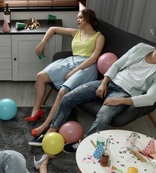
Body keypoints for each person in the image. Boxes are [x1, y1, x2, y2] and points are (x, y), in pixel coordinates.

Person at [37, 35, 156, 153]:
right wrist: (104, 82)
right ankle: (52, 130)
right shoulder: (142, 48)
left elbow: (151, 98)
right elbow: (117, 64)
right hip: (108, 83)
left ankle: (84, 146)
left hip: (123, 94)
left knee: (103, 116)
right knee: (68, 97)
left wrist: (121, 101)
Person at [25, 8, 105, 141]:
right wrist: (42, 43)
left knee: (62, 92)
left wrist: (73, 72)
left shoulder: (99, 36)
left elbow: (94, 58)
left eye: (80, 17)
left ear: (88, 19)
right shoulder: (76, 33)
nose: (77, 20)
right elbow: (52, 29)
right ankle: (36, 110)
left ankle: (46, 126)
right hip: (70, 61)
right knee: (40, 76)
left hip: (86, 67)